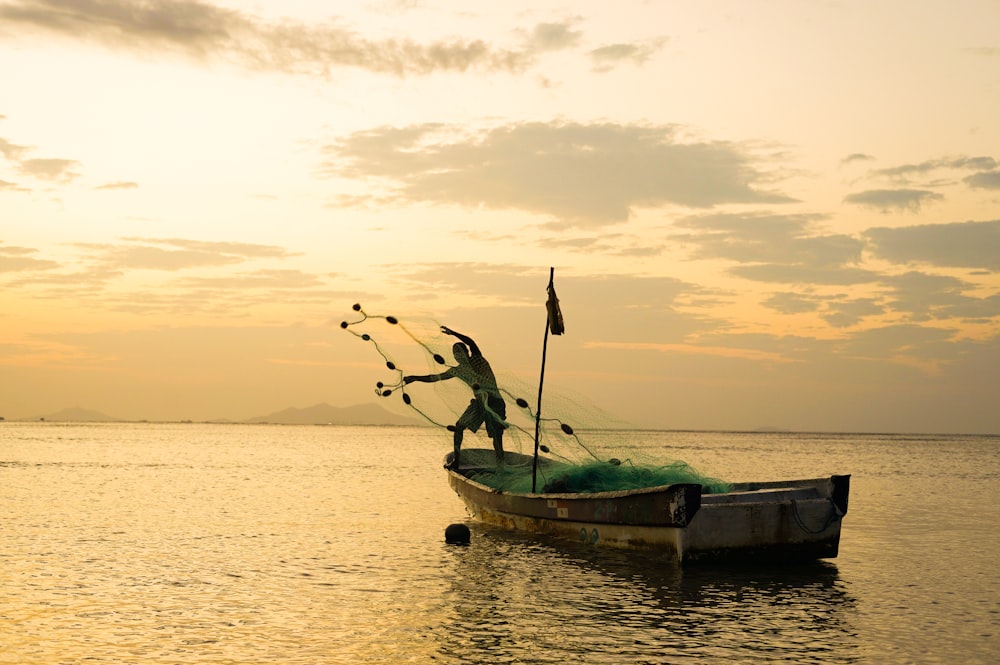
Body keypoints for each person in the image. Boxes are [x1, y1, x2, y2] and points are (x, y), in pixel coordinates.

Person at [403, 326, 507, 469]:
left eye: (460, 351)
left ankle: (501, 466)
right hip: (479, 404)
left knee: (496, 437)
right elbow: (435, 378)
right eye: (455, 353)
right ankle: (457, 461)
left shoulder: (477, 359)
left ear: (466, 352)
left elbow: (471, 342)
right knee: (459, 427)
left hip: (495, 402)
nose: (458, 355)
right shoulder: (457, 370)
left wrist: (453, 333)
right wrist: (415, 378)